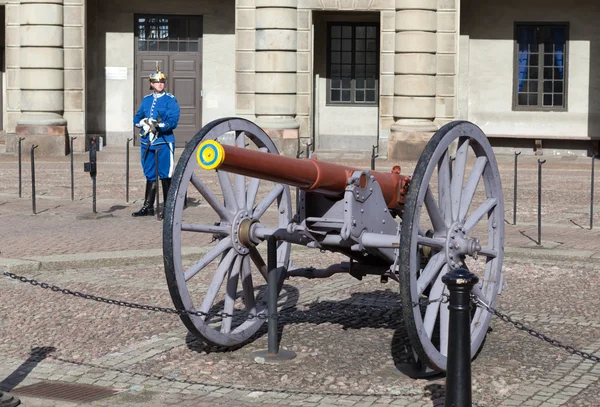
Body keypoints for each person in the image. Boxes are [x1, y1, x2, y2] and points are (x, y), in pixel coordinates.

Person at [132, 65, 180, 218]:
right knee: (150, 174)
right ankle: (148, 206)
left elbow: (173, 121)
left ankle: (168, 207)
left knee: (166, 174)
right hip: (147, 142)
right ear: (151, 84)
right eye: (156, 82)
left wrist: (158, 125)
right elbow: (137, 117)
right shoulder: (146, 100)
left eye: (162, 82)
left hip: (163, 142)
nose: (160, 84)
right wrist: (143, 122)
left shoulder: (170, 100)